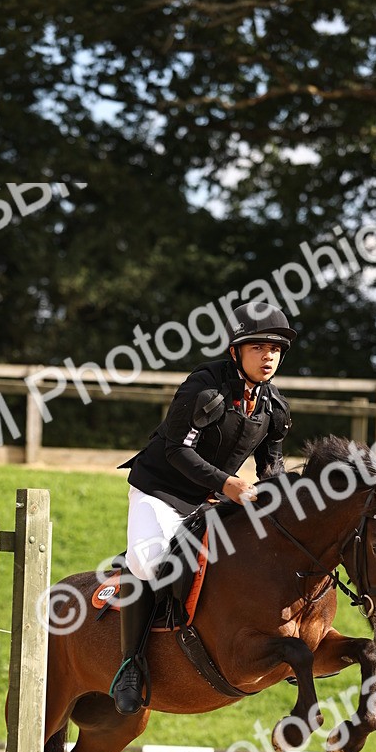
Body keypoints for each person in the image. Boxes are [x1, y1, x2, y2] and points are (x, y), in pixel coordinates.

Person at [110, 300, 296, 716]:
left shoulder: (274, 407)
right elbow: (176, 450)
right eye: (258, 348)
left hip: (210, 498)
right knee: (149, 562)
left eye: (276, 350)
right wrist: (228, 484)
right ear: (236, 351)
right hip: (160, 490)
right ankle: (131, 666)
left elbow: (272, 467)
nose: (268, 357)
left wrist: (283, 500)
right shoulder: (204, 388)